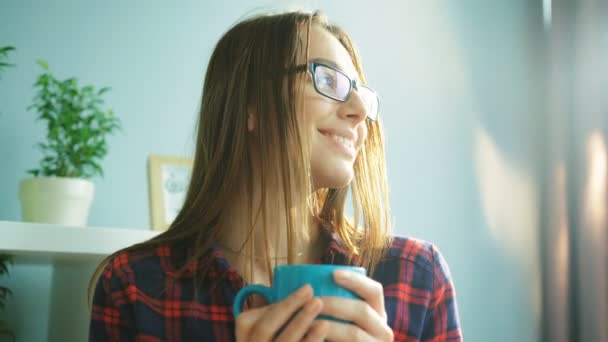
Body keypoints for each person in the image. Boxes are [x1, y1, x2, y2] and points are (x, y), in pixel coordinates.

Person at [89, 10, 462, 342]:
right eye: (329, 81)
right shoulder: (135, 287)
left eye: (361, 93)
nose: (359, 110)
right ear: (251, 105)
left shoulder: (417, 277)